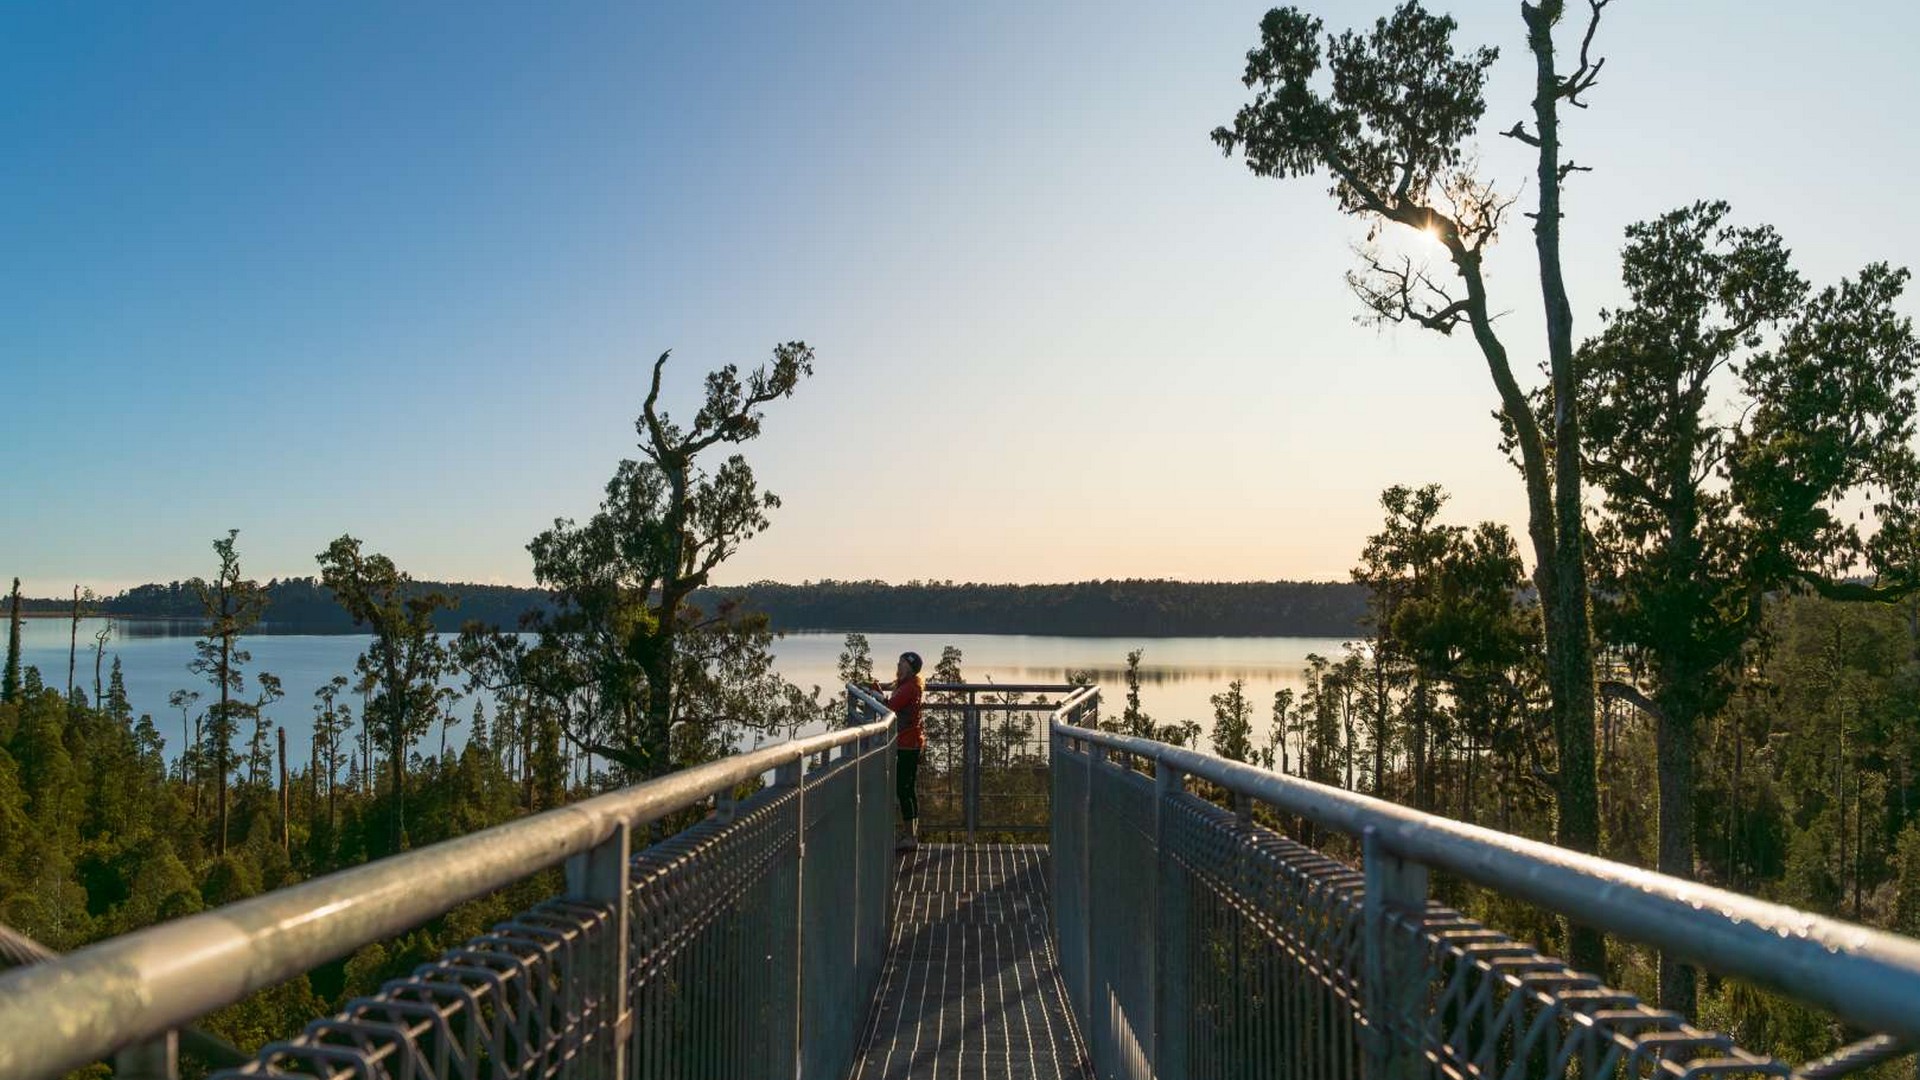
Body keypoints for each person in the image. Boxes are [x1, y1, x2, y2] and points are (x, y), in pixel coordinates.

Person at [877, 651, 926, 852]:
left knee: (903, 789)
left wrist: (876, 695)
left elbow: (890, 706)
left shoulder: (909, 688)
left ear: (909, 667)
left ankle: (910, 837)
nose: (898, 664)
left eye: (902, 662)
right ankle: (911, 835)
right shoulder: (909, 684)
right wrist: (878, 687)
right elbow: (893, 687)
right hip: (910, 742)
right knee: (908, 788)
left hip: (907, 743)